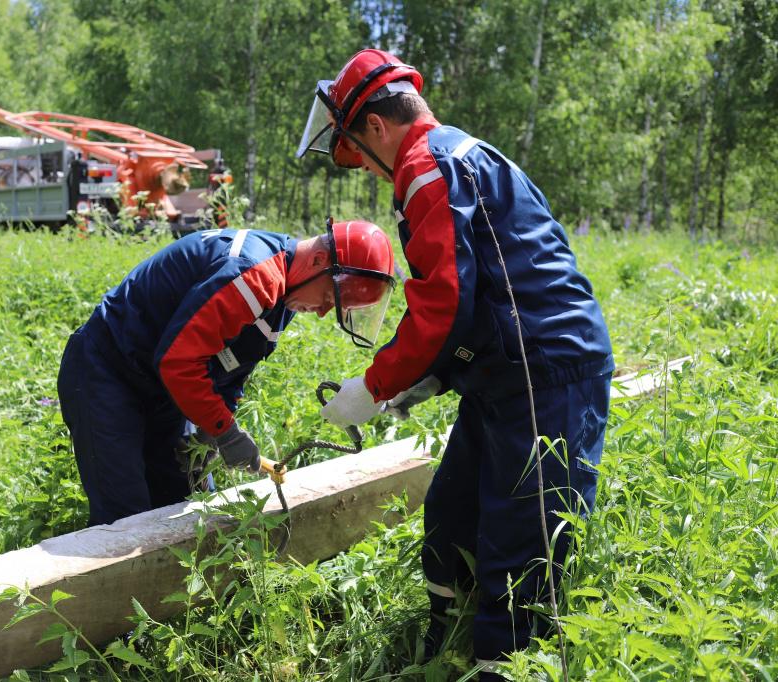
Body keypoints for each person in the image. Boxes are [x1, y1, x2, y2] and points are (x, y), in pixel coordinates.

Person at [296, 49, 614, 675]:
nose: (364, 165)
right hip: (506, 369)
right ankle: (442, 642)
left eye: (357, 149)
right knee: (452, 518)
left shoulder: (427, 168)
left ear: (378, 128)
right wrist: (433, 378)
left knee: (519, 548)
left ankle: (503, 661)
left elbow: (443, 305)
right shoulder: (459, 154)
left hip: (542, 370)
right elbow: (487, 291)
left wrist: (375, 384)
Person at [57, 222, 396, 527]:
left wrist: (210, 429)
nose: (323, 312)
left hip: (160, 387)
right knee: (125, 516)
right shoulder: (254, 276)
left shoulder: (283, 297)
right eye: (327, 297)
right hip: (107, 372)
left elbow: (230, 368)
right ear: (320, 260)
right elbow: (178, 362)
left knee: (185, 500)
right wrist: (224, 431)